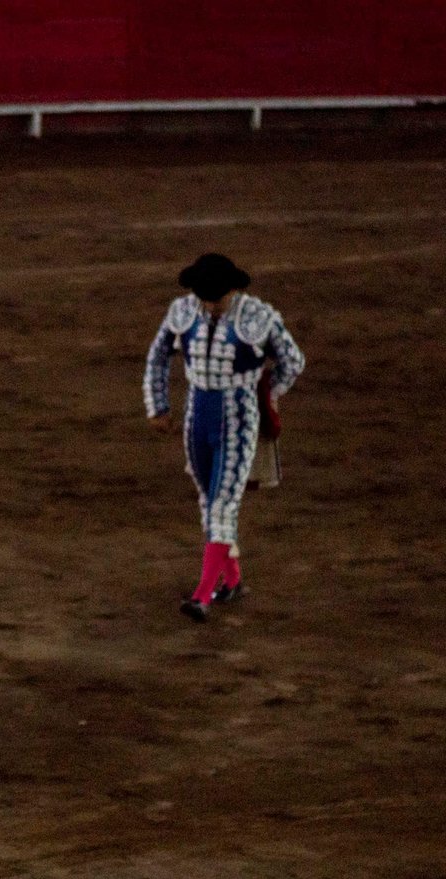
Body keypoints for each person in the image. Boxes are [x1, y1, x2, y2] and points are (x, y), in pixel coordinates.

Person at [143, 253, 306, 622]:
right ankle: (231, 581)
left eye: (216, 298)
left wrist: (268, 393)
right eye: (204, 297)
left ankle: (202, 595)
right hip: (196, 418)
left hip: (238, 420)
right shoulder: (184, 311)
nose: (210, 305)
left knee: (222, 507)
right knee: (209, 501)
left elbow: (293, 361)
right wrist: (158, 406)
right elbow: (157, 357)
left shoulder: (259, 317)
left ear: (233, 290)